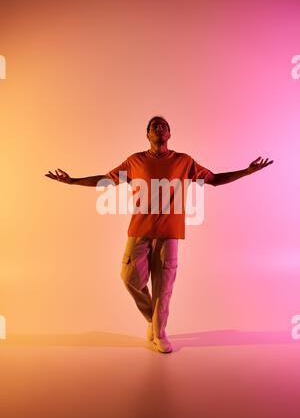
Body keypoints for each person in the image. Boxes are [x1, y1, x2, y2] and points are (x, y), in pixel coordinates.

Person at [45, 116, 273, 353]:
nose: (159, 128)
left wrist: (247, 172)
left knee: (163, 288)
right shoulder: (135, 161)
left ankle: (160, 333)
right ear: (147, 134)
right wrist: (72, 181)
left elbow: (214, 180)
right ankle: (152, 321)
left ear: (169, 134)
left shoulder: (184, 162)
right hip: (139, 231)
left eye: (163, 126)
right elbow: (106, 181)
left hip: (169, 233)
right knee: (129, 277)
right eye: (154, 126)